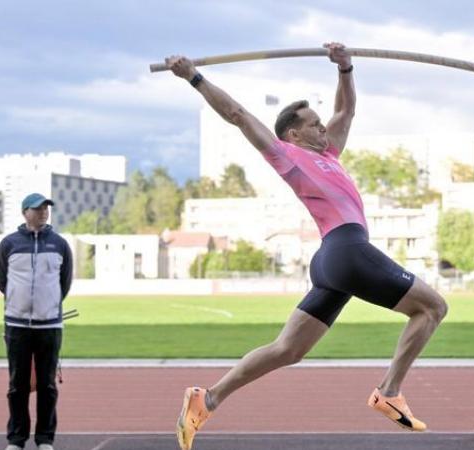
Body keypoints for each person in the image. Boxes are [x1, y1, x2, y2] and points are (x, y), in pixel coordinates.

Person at [166, 43, 448, 450]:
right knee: (433, 307)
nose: (323, 128)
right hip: (347, 249)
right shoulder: (287, 156)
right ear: (294, 134)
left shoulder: (330, 153)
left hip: (332, 261)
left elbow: (347, 111)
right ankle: (389, 391)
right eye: (314, 124)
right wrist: (193, 77)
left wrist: (345, 68)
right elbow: (238, 115)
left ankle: (205, 399)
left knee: (287, 349)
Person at [0, 193, 73, 450]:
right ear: (24, 212)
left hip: (49, 326)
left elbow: (64, 283)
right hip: (16, 325)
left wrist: (47, 306)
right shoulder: (9, 244)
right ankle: (16, 440)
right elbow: (2, 282)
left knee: (47, 385)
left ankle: (44, 439)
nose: (43, 212)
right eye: (38, 208)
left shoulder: (60, 244)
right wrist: (20, 305)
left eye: (46, 208)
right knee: (17, 385)